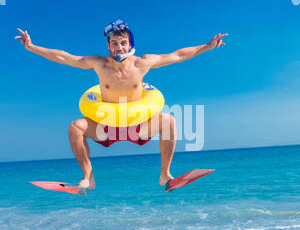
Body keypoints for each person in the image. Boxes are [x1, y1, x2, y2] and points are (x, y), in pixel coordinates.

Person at [15, 21, 227, 190]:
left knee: (168, 120)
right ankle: (88, 178)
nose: (119, 47)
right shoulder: (99, 63)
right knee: (75, 127)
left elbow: (178, 55)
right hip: (105, 126)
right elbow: (64, 57)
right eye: (114, 43)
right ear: (108, 46)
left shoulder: (142, 63)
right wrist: (31, 46)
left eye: (123, 42)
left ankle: (165, 175)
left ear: (130, 43)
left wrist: (208, 46)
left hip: (138, 125)